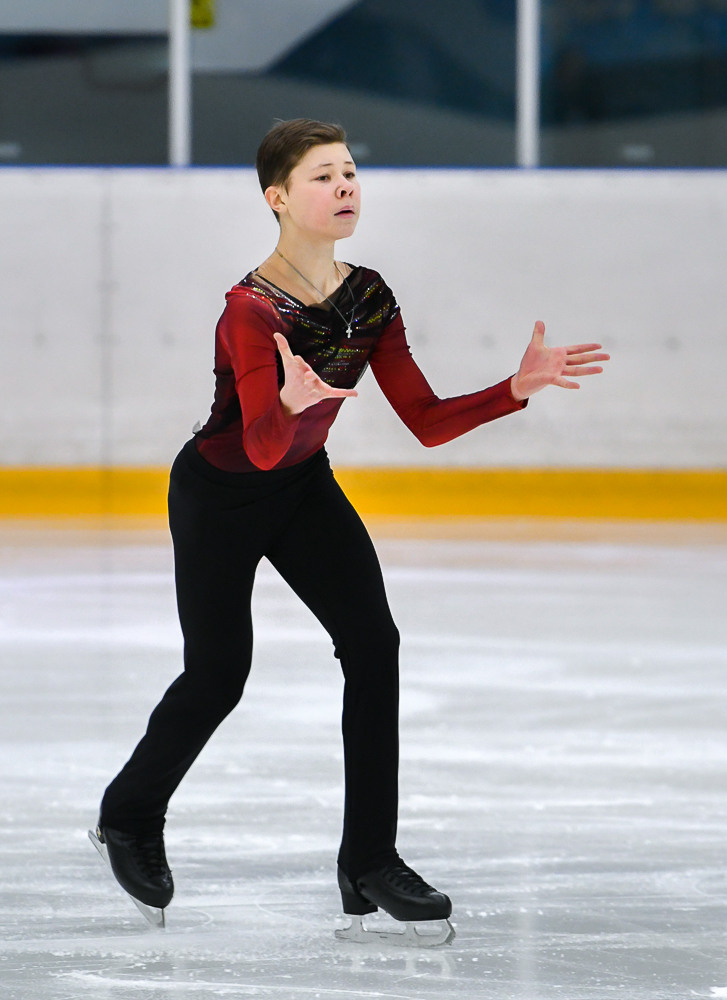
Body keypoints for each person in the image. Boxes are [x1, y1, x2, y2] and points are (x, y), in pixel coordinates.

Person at [92, 118, 607, 935]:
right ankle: (127, 815)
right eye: (324, 176)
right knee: (219, 675)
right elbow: (260, 446)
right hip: (220, 497)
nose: (345, 187)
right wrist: (290, 402)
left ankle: (369, 859)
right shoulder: (250, 312)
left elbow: (426, 421)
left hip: (302, 488)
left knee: (373, 645)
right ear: (277, 198)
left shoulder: (369, 296)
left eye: (351, 173)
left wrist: (513, 389)